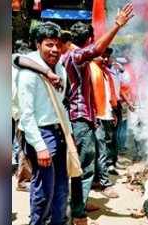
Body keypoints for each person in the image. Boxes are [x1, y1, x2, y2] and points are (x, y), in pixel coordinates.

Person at [65, 3, 134, 225]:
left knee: (86, 164)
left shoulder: (74, 56)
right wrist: (117, 25)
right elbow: (95, 51)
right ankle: (77, 213)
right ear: (88, 40)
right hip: (79, 119)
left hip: (85, 117)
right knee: (84, 167)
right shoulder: (76, 56)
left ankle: (80, 204)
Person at [17, 21, 69, 225]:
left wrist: (68, 134)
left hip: (59, 132)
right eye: (49, 44)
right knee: (44, 190)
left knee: (61, 188)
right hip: (40, 133)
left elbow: (62, 106)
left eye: (57, 44)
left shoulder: (61, 68)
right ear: (38, 45)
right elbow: (26, 115)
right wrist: (39, 146)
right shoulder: (28, 74)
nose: (55, 49)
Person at [90, 48, 119, 198]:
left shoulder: (106, 73)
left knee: (103, 149)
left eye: (108, 56)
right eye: (103, 56)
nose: (106, 59)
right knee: (101, 151)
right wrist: (93, 115)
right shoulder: (92, 71)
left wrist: (113, 112)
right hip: (98, 117)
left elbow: (110, 95)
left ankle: (96, 179)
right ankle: (105, 183)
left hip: (107, 115)